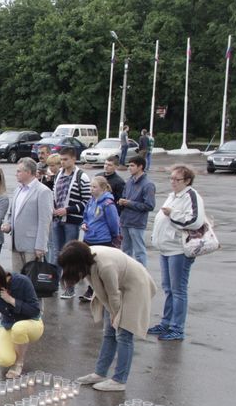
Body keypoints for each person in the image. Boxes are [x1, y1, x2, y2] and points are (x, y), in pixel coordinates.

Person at [60, 241, 157, 392]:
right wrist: (111, 314)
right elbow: (102, 292)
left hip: (134, 286)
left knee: (124, 335)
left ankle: (119, 380)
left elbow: (113, 295)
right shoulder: (86, 260)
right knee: (109, 333)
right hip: (117, 288)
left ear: (77, 263)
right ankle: (100, 373)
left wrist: (115, 314)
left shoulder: (105, 266)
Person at [149, 164, 205, 341]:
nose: (172, 182)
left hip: (179, 250)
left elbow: (195, 221)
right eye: (171, 178)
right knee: (168, 289)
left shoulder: (191, 196)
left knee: (178, 290)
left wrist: (173, 213)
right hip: (166, 249)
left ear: (187, 181)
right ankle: (166, 323)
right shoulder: (173, 195)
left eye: (177, 179)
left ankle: (177, 328)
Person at [50, 147, 91, 298]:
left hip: (72, 221)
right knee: (57, 253)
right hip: (57, 219)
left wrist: (68, 210)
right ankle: (53, 284)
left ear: (74, 159)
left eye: (65, 159)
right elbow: (54, 195)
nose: (62, 162)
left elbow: (87, 201)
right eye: (61, 159)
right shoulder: (58, 175)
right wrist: (53, 208)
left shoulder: (82, 177)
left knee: (70, 255)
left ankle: (70, 288)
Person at [1, 157, 52, 273]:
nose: (16, 174)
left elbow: (45, 221)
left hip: (32, 246)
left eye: (19, 171)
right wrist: (8, 224)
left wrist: (41, 246)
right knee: (17, 278)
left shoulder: (43, 191)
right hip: (16, 243)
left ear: (28, 172)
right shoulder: (17, 190)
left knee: (31, 279)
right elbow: (11, 213)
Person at [79, 176, 121, 301]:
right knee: (89, 267)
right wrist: (84, 224)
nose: (91, 189)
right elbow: (86, 216)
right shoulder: (91, 201)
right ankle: (92, 289)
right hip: (89, 238)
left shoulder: (108, 204)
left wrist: (114, 237)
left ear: (103, 188)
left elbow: (114, 223)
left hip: (103, 240)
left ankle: (99, 291)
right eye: (91, 187)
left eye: (94, 187)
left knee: (101, 268)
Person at [117, 155, 155, 266]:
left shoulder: (148, 185)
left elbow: (149, 205)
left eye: (132, 166)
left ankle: (142, 273)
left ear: (140, 167)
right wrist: (121, 202)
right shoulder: (129, 181)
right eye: (129, 165)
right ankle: (127, 272)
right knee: (125, 251)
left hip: (137, 223)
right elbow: (124, 196)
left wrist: (129, 203)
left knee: (139, 252)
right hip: (125, 221)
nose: (129, 168)